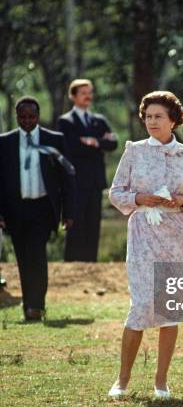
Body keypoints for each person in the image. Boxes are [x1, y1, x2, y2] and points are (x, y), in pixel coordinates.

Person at [108, 91, 183, 398]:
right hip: (143, 233)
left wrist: (182, 201)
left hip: (178, 236)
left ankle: (161, 381)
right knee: (140, 305)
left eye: (158, 117)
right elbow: (115, 192)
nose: (152, 122)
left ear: (173, 120)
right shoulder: (134, 151)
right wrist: (139, 198)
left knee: (171, 309)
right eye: (148, 116)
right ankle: (122, 380)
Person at [0, 97, 75, 321]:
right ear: (16, 117)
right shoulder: (5, 142)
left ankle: (37, 306)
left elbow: (67, 178)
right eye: (22, 117)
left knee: (37, 254)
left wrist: (68, 212)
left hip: (43, 208)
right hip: (15, 208)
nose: (27, 121)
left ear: (38, 116)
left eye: (31, 117)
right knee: (23, 258)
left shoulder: (55, 140)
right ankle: (28, 307)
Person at [57, 79, 118, 262]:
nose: (88, 96)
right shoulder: (65, 121)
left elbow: (113, 143)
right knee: (75, 223)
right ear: (73, 96)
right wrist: (98, 144)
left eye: (90, 92)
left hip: (95, 181)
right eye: (83, 92)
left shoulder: (99, 120)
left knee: (93, 223)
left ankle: (91, 263)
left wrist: (95, 142)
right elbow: (71, 148)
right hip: (75, 181)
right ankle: (72, 264)